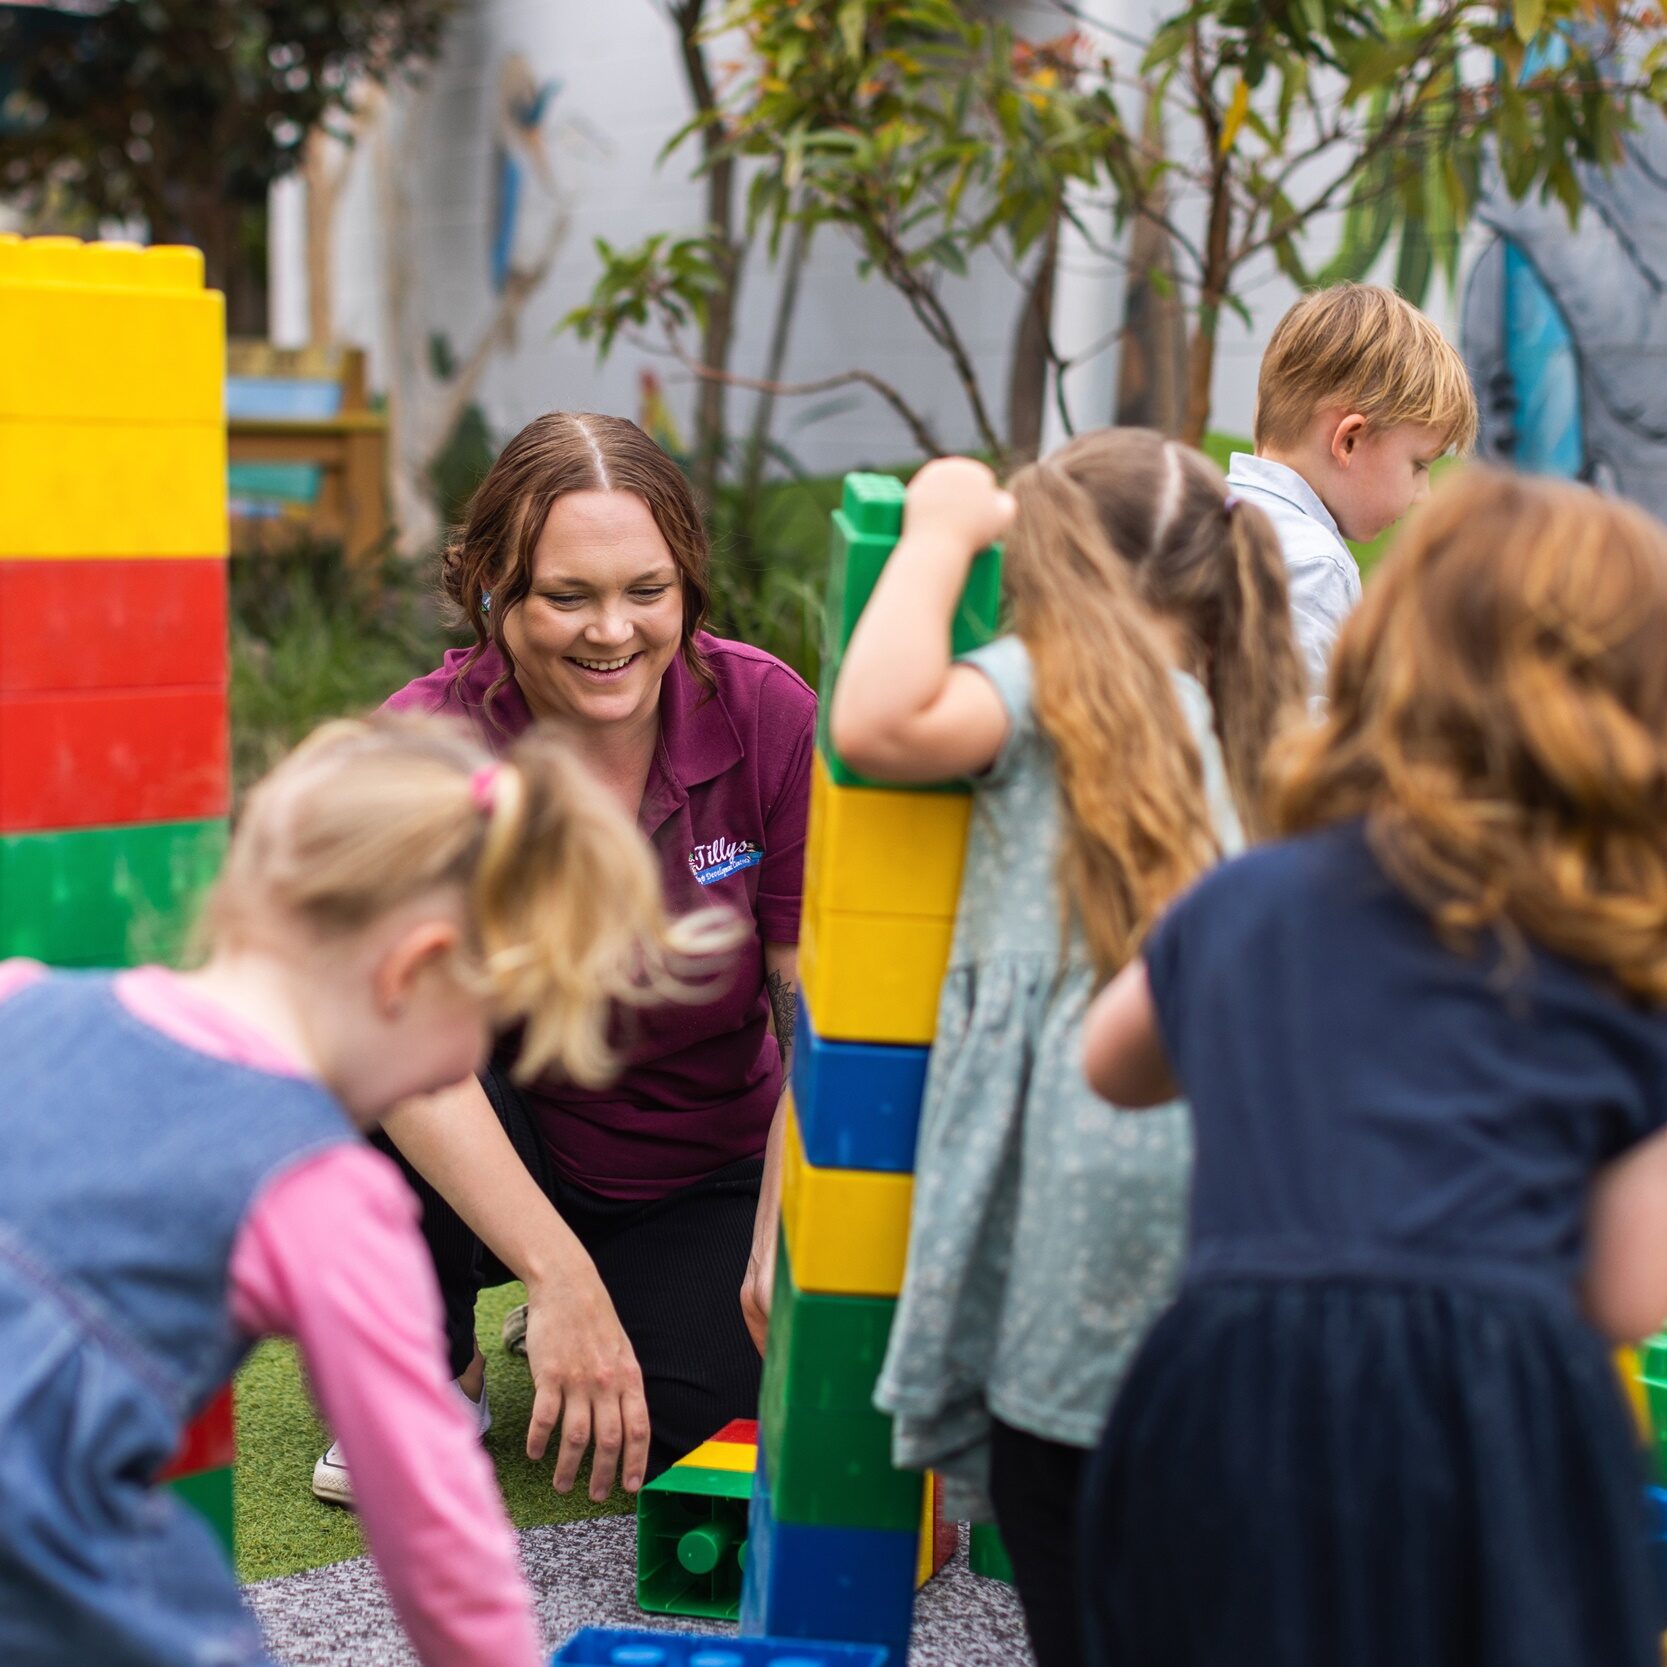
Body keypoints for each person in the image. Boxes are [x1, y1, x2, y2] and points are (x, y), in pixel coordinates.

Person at [1078, 469, 1667, 1667]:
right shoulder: (1622, 954)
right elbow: (1620, 1292)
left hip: (1229, 1388)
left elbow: (1113, 1063)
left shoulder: (1249, 900)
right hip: (1494, 1410)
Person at [0, 713, 729, 1667]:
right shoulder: (319, 1188)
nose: (477, 1059)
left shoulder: (24, 998)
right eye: (489, 1021)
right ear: (414, 970)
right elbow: (433, 1524)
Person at [829, 432, 1304, 1667]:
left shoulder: (1050, 681)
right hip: (1233, 1208)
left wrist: (939, 530)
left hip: (1087, 1192)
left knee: (1078, 1550)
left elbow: (874, 721)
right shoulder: (1251, 721)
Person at [313, 412, 815, 1507]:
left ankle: (597, 1305)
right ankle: (429, 1365)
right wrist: (557, 1268)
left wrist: (782, 1236)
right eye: (567, 594)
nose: (613, 631)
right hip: (499, 1134)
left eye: (647, 589)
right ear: (494, 589)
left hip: (703, 1166)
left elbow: (811, 1012)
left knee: (722, 1420)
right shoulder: (425, 744)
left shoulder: (768, 712)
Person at [1226, 281, 1478, 695]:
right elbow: (1297, 732)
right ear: (1349, 441)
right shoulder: (1317, 566)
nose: (1423, 494)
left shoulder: (1202, 513)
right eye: (1418, 466)